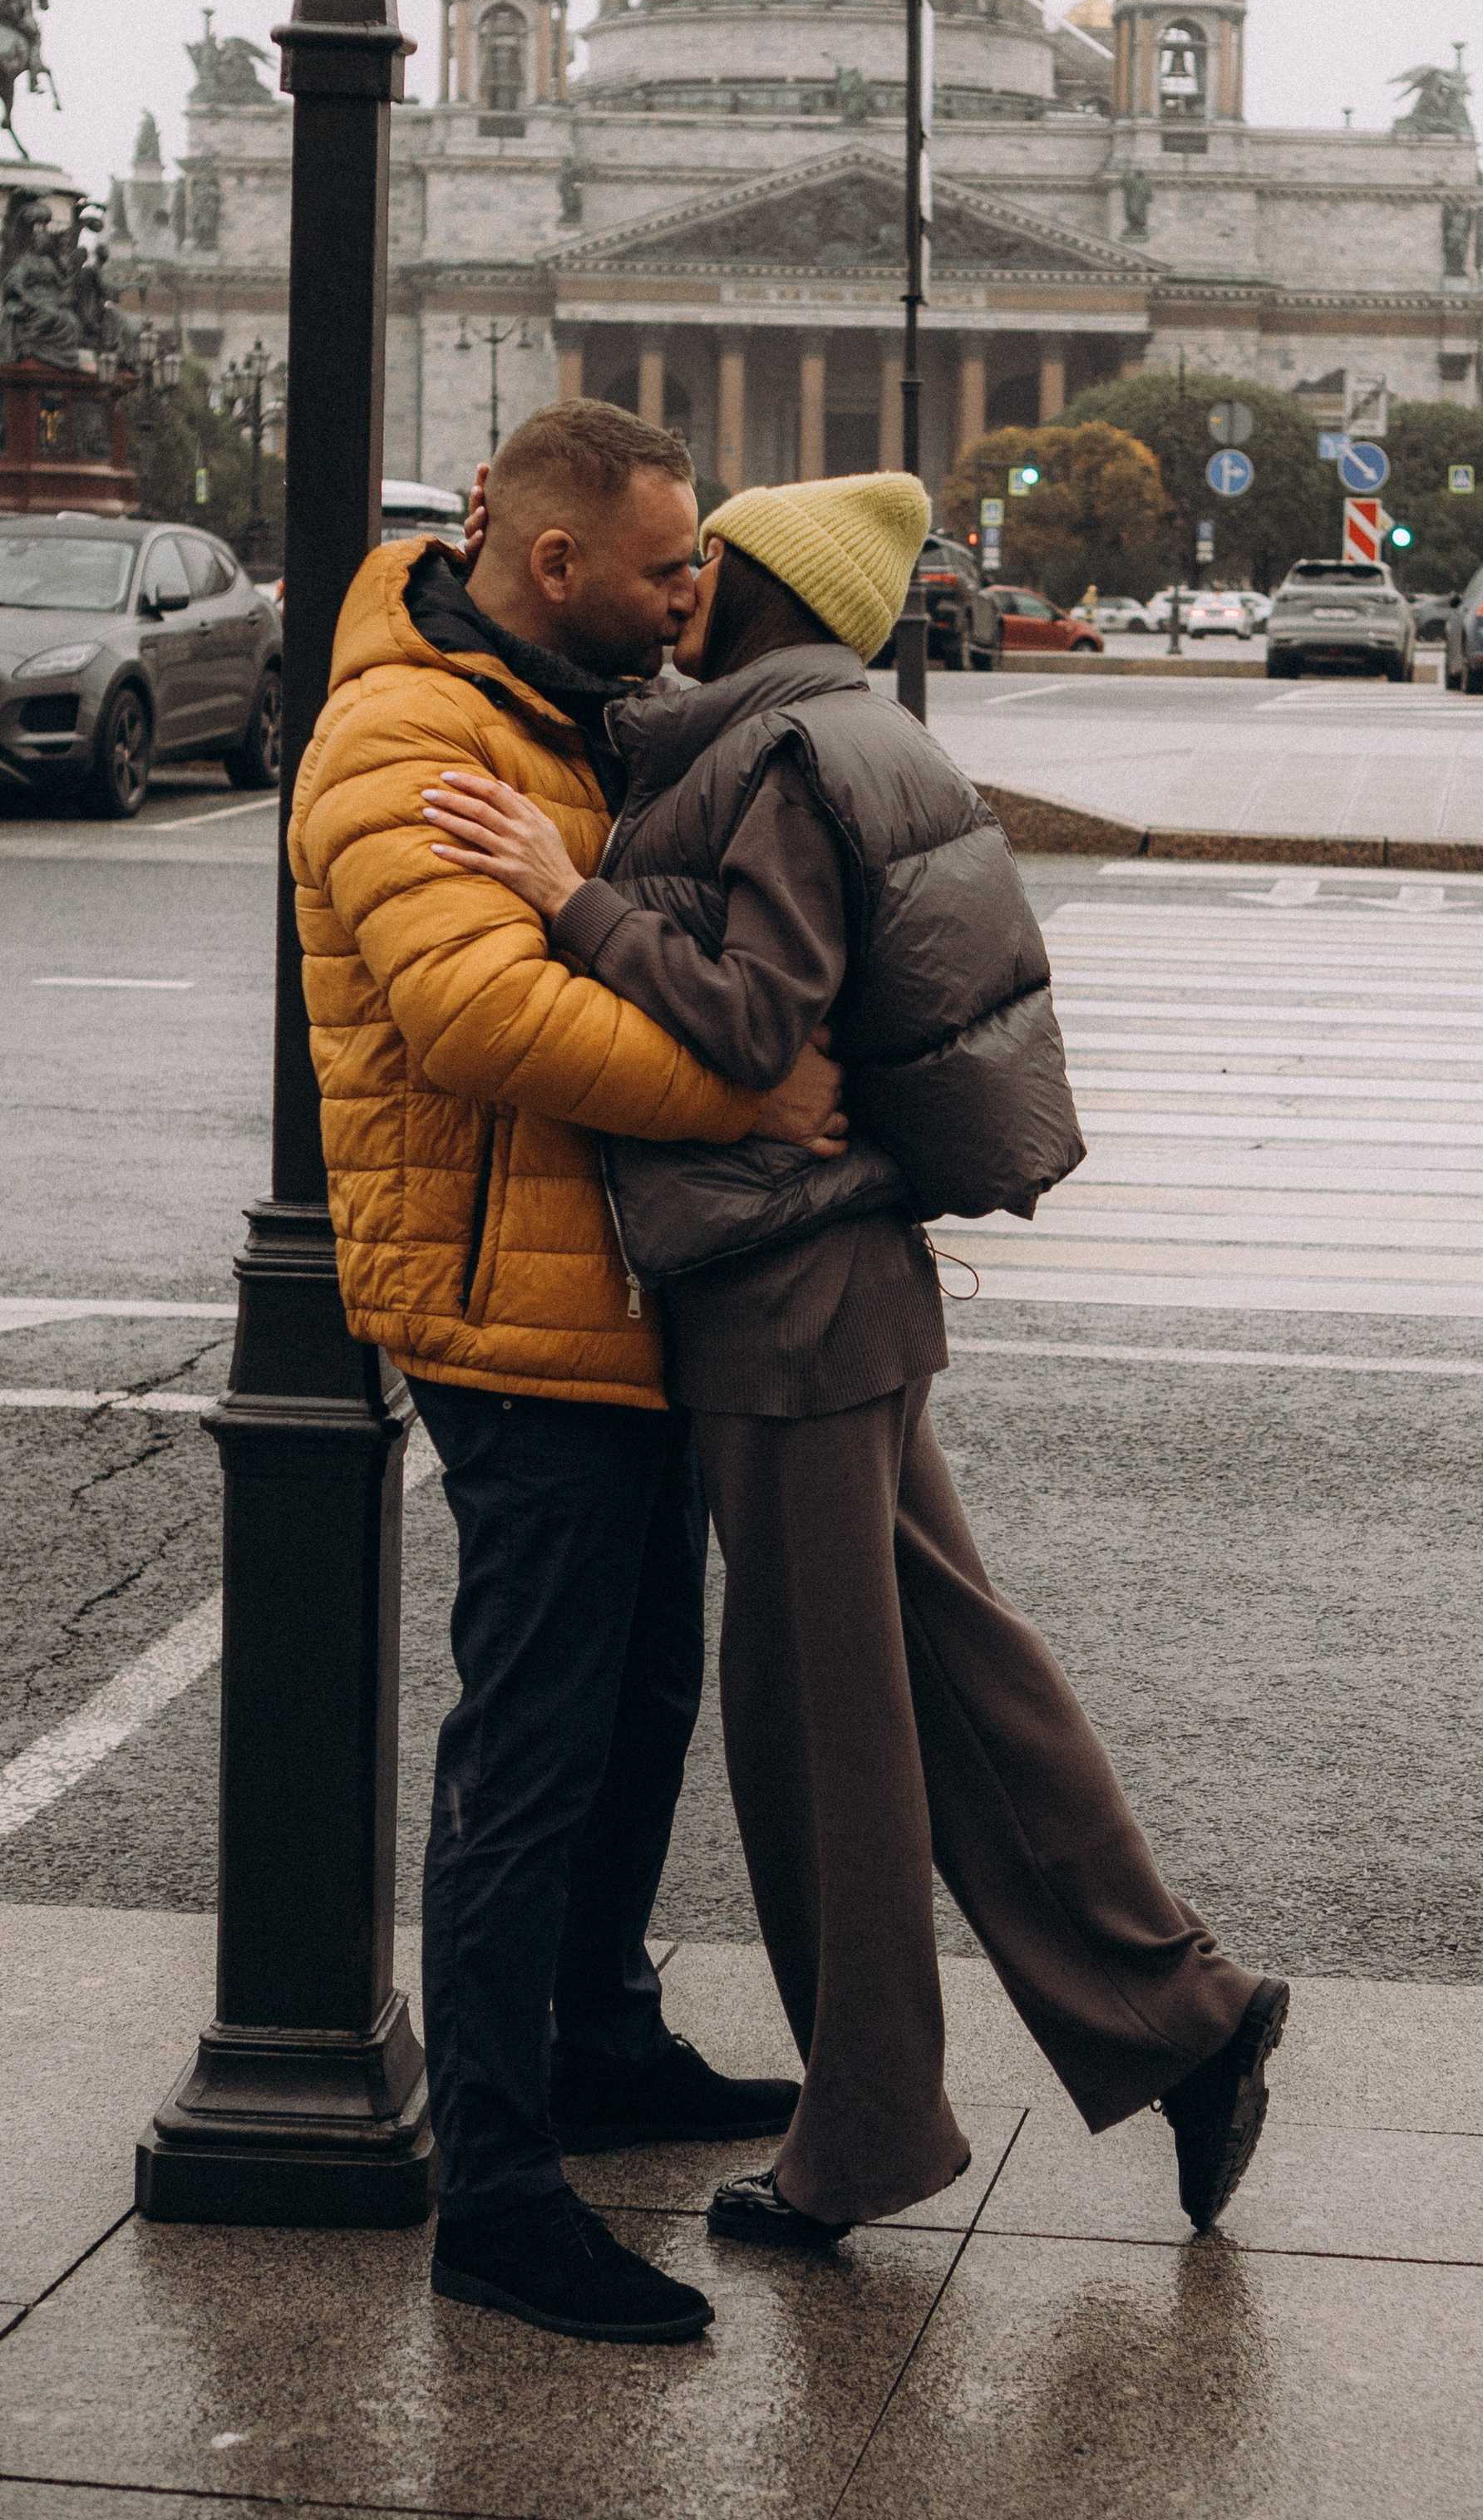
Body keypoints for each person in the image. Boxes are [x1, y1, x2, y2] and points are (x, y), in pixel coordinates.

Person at [420, 469, 1288, 2253]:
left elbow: (750, 1021)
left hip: (784, 1299)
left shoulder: (784, 761)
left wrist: (558, 893)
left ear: (767, 588)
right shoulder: (832, 733)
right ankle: (1182, 2018)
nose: (677, 585)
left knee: (822, 1739)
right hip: (837, 1289)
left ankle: (869, 2131)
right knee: (962, 1689)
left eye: (703, 563)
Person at [289, 403, 846, 2348]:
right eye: (667, 567)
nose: (695, 592)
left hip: (615, 1289)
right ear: (550, 567)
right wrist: (750, 1093)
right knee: (526, 1753)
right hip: (509, 1310)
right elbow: (476, 1014)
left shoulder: (567, 705)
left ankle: (600, 2040)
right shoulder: (405, 734)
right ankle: (499, 2194)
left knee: (633, 1702)